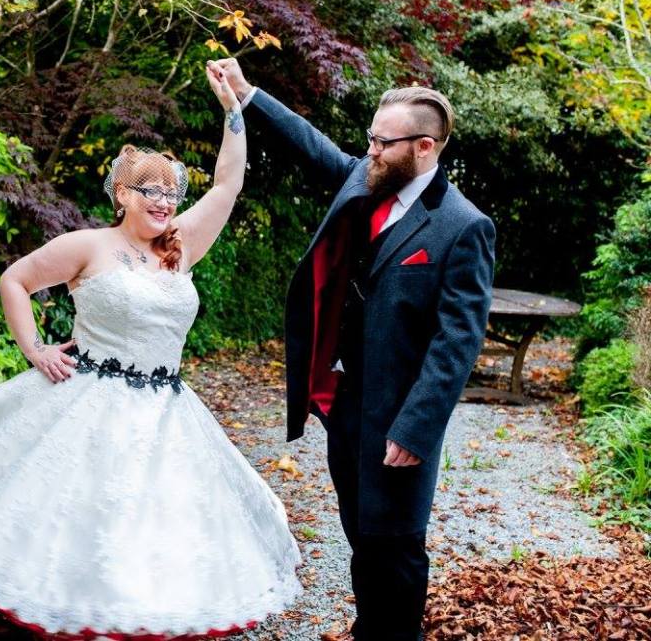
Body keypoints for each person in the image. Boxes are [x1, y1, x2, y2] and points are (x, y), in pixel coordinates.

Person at [0, 62, 302, 640]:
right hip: (90, 402)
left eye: (171, 193)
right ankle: (76, 618)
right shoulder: (87, 246)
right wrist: (34, 348)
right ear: (122, 194)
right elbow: (14, 279)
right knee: (81, 521)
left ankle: (138, 615)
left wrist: (234, 114)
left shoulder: (179, 250)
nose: (164, 202)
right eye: (151, 191)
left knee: (155, 525)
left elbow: (227, 186)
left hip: (168, 412)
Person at [211, 58, 495, 641]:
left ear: (422, 147)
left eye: (381, 141)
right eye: (369, 137)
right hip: (343, 405)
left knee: (397, 546)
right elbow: (314, 148)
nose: (369, 149)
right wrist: (248, 95)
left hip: (398, 417)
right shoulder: (367, 179)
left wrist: (415, 429)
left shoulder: (463, 226)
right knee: (362, 536)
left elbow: (457, 341)